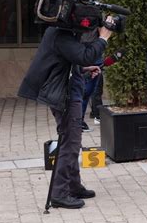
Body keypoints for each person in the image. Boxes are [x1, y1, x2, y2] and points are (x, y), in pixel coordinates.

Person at [18, 21, 112, 209]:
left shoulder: (61, 33)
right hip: (66, 96)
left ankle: (73, 185)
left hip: (69, 91)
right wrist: (103, 37)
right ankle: (59, 193)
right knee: (70, 141)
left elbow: (68, 61)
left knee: (71, 139)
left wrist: (84, 69)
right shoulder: (61, 34)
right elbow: (85, 55)